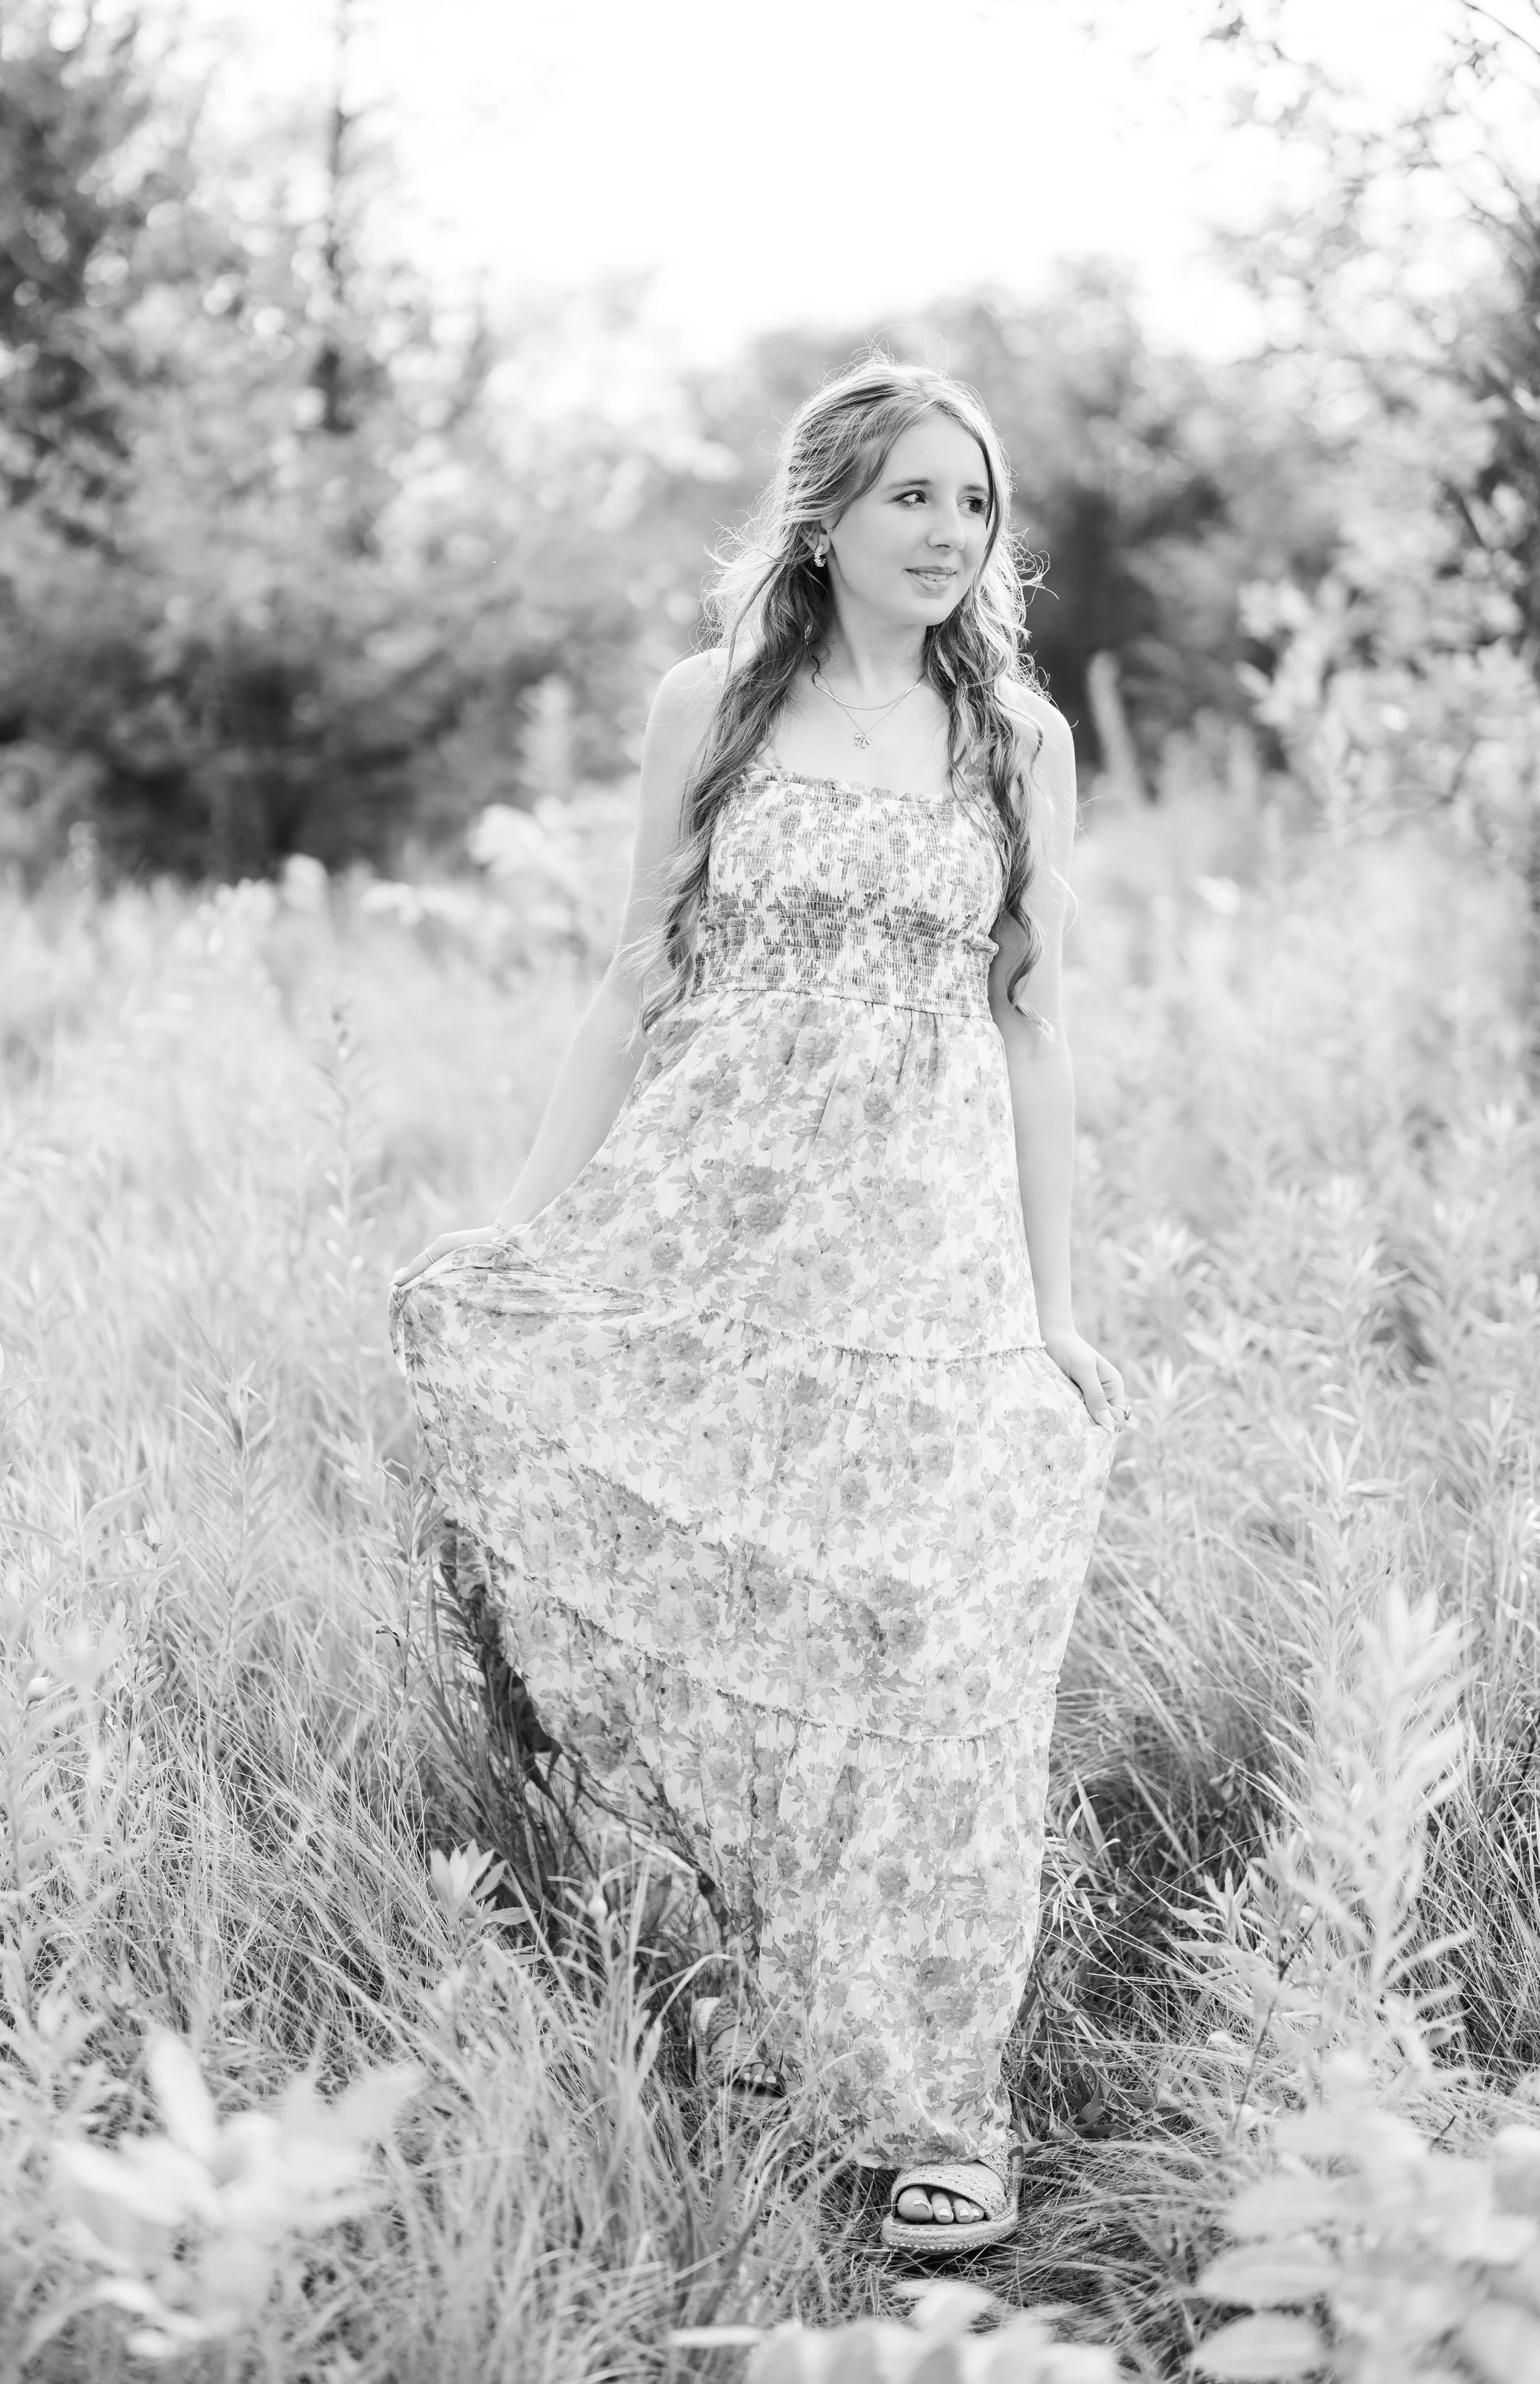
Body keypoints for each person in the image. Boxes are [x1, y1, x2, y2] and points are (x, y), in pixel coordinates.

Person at [389, 356, 1126, 2253]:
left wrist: (1050, 1311)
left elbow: (1030, 1026)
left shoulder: (1020, 743)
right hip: (723, 1245)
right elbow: (634, 979)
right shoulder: (705, 707)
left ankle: (945, 2104)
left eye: (972, 503)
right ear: (823, 512)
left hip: (930, 1263)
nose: (948, 534)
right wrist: (524, 1229)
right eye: (908, 497)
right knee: (756, 1625)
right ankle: (783, 2022)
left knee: (938, 1660)